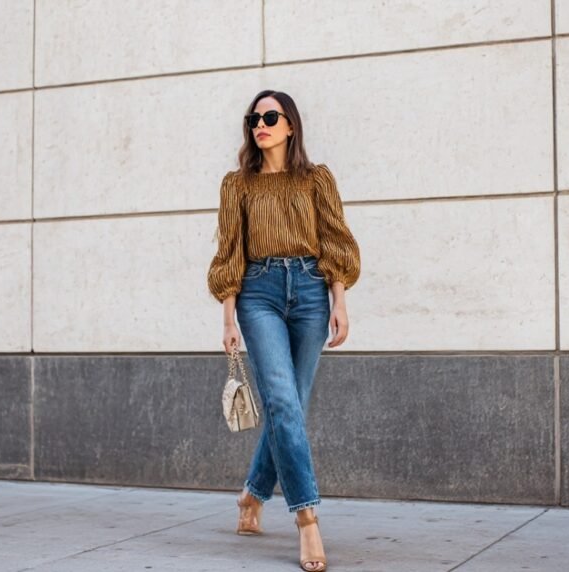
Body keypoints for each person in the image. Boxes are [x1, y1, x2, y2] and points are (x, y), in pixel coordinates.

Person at [206, 89, 361, 572]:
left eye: (271, 116)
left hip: (313, 293)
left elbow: (336, 238)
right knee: (280, 398)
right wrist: (229, 318)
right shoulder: (238, 185)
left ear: (291, 125)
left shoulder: (317, 179)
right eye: (254, 117)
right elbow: (230, 250)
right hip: (258, 293)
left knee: (288, 404)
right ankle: (307, 519)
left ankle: (252, 496)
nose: (261, 124)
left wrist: (340, 300)